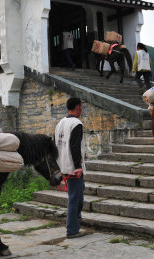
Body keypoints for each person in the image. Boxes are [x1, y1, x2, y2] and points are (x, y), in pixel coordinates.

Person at [55, 97, 86, 239]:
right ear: (78, 107)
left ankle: (76, 216)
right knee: (74, 197)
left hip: (63, 164)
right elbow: (74, 147)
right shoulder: (76, 123)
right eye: (81, 107)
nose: (81, 109)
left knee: (79, 193)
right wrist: (78, 167)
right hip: (73, 167)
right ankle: (72, 229)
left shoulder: (60, 123)